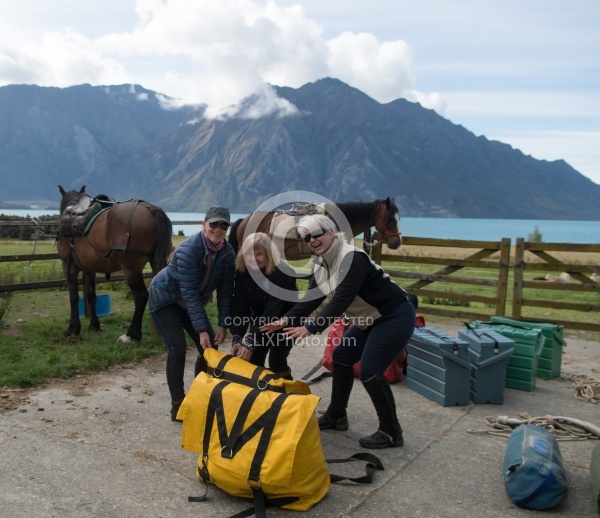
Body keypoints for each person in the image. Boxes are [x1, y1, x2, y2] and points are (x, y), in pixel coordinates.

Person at [261, 213, 416, 449]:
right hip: (368, 320)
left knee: (370, 370)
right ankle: (337, 415)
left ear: (331, 232)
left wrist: (311, 327)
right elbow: (312, 299)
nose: (312, 240)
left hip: (393, 316)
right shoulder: (320, 262)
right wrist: (285, 320)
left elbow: (340, 301)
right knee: (342, 357)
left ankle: (392, 431)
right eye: (306, 237)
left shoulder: (352, 257)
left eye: (316, 234)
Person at [149, 206, 235, 421]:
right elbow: (188, 291)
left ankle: (199, 397)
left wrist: (223, 324)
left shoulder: (227, 253)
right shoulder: (189, 249)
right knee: (177, 349)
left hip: (190, 303)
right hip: (166, 300)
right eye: (214, 224)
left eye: (223, 225)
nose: (218, 228)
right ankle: (177, 407)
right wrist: (201, 330)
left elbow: (226, 291)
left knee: (210, 348)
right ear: (204, 225)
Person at [228, 232, 298, 378]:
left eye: (259, 254)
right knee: (252, 359)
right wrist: (237, 335)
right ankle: (260, 393)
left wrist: (251, 339)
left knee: (276, 360)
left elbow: (273, 310)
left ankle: (287, 392)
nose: (253, 258)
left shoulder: (283, 274)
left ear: (268, 254)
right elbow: (240, 306)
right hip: (262, 319)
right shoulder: (242, 273)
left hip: (285, 320)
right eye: (249, 254)